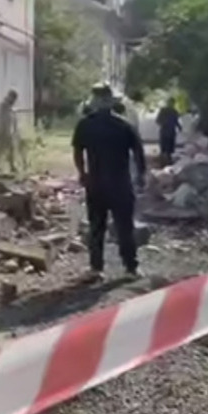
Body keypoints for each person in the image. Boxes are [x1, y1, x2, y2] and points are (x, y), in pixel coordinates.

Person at [72, 82, 147, 281]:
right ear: (112, 102)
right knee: (124, 227)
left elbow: (78, 151)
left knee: (97, 227)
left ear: (94, 102)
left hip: (96, 183)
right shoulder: (124, 125)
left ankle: (96, 268)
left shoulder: (85, 124)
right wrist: (141, 176)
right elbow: (139, 153)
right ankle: (131, 267)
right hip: (120, 183)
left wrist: (82, 173)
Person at [0, 89, 19, 173]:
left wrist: (14, 130)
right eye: (13, 98)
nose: (14, 100)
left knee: (10, 148)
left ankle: (11, 166)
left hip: (8, 131)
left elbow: (12, 119)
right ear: (9, 96)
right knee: (0, 148)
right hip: (2, 130)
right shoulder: (4, 105)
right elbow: (4, 117)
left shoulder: (10, 106)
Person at [156, 98, 182, 166]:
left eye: (172, 103)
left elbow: (176, 121)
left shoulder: (174, 111)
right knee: (163, 147)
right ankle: (162, 161)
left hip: (171, 131)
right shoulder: (163, 111)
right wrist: (164, 123)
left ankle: (168, 161)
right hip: (165, 131)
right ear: (168, 103)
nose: (171, 104)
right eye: (170, 103)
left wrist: (179, 127)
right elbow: (158, 120)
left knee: (170, 147)